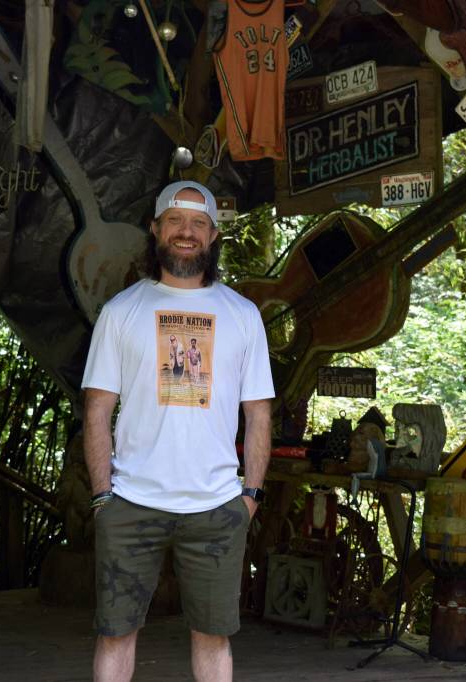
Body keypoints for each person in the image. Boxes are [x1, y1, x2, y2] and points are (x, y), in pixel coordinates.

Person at [81, 180, 274, 682]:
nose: (186, 232)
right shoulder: (121, 311)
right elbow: (98, 409)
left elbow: (258, 413)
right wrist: (103, 497)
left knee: (213, 636)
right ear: (155, 228)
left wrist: (250, 495)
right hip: (131, 500)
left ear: (213, 235)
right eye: (175, 220)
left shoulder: (243, 315)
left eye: (198, 223)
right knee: (116, 632)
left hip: (216, 506)